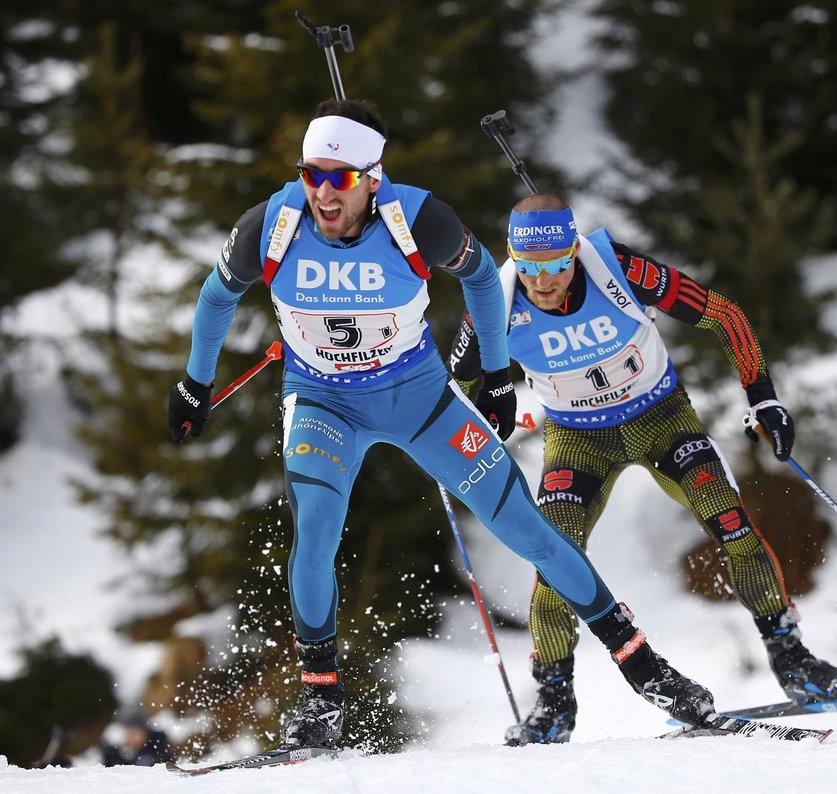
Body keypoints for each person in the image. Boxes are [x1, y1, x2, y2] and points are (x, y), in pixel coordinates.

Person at [167, 99, 719, 752]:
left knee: (527, 529)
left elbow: (484, 279)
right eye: (312, 174)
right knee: (314, 532)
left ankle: (644, 668)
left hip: (419, 398)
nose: (322, 193)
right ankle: (320, 699)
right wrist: (193, 385)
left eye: (338, 179)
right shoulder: (273, 223)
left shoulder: (418, 219)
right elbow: (216, 295)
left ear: (373, 177)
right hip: (323, 403)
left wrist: (494, 375)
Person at [448, 193, 837, 746]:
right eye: (529, 267)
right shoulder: (493, 303)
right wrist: (465, 430)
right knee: (553, 557)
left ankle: (791, 657)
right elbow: (449, 390)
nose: (543, 281)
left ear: (574, 252)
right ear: (513, 260)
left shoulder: (616, 267)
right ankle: (553, 701)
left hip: (661, 418)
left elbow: (723, 314)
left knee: (731, 523)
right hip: (578, 441)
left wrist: (763, 398)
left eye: (555, 263)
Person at [99, 709, 174, 767]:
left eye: (134, 734)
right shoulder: (118, 753)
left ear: (144, 733)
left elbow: (170, 764)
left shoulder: (157, 744)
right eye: (128, 734)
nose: (131, 738)